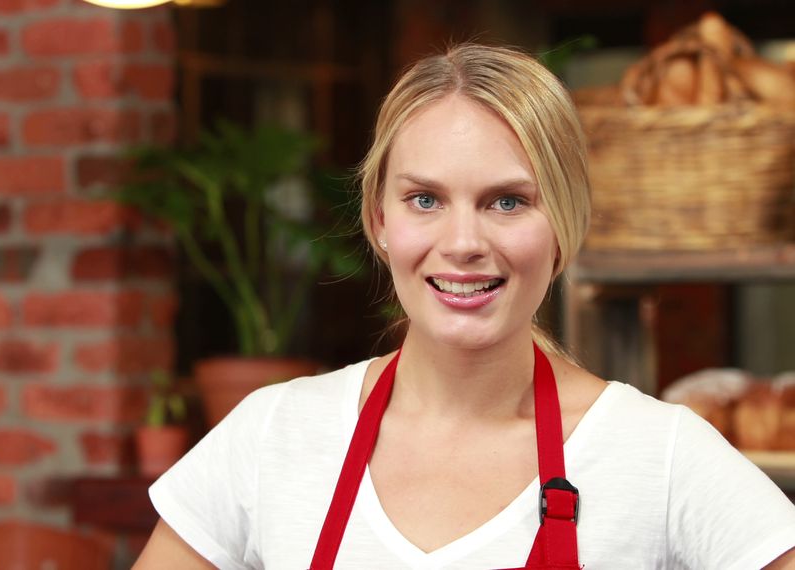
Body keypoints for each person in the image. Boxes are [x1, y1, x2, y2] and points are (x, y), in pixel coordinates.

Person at [133, 43, 795, 569]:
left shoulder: (659, 454)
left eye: (507, 201)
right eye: (425, 199)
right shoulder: (275, 434)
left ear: (565, 226)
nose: (463, 244)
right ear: (378, 219)